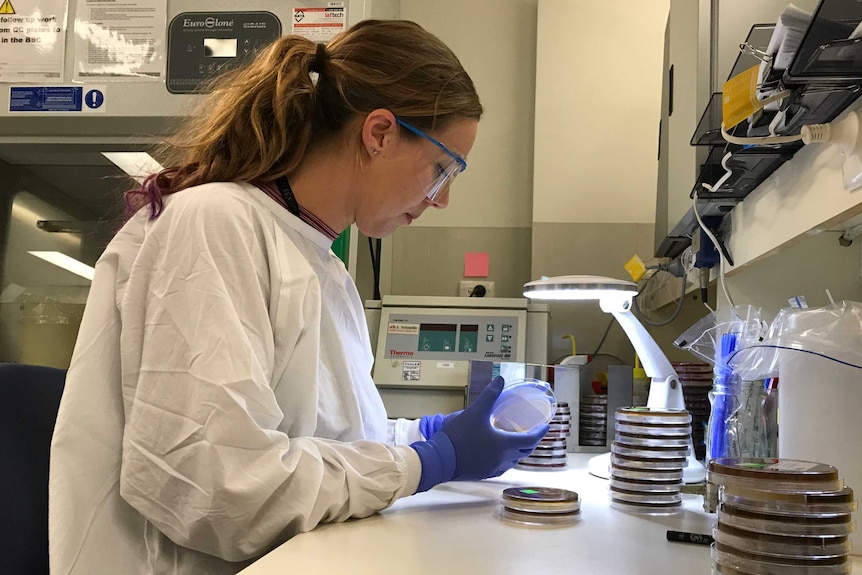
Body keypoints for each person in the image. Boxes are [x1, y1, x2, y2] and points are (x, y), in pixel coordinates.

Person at [48, 19, 547, 575]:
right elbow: (217, 486)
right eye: (442, 168)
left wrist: (423, 437)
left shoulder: (324, 267)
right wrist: (426, 463)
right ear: (380, 132)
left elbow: (330, 442)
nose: (443, 199)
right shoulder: (215, 223)